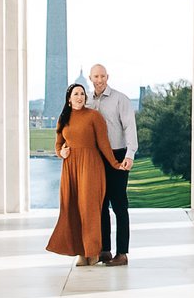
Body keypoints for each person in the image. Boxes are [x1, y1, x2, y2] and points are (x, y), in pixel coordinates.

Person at [45, 82, 119, 266]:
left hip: (91, 166)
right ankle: (80, 252)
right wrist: (60, 153)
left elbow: (103, 143)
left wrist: (115, 163)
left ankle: (92, 251)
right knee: (72, 209)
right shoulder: (64, 118)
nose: (80, 97)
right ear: (69, 99)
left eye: (82, 94)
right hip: (70, 168)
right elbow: (58, 143)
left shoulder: (94, 116)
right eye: (76, 94)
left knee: (89, 209)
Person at [87, 62, 137, 266]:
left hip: (117, 155)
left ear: (108, 77)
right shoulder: (87, 99)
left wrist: (130, 154)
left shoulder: (120, 99)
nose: (99, 80)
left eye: (102, 76)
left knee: (119, 205)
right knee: (100, 205)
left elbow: (129, 128)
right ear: (90, 79)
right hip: (96, 157)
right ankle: (104, 250)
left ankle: (122, 253)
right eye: (96, 77)